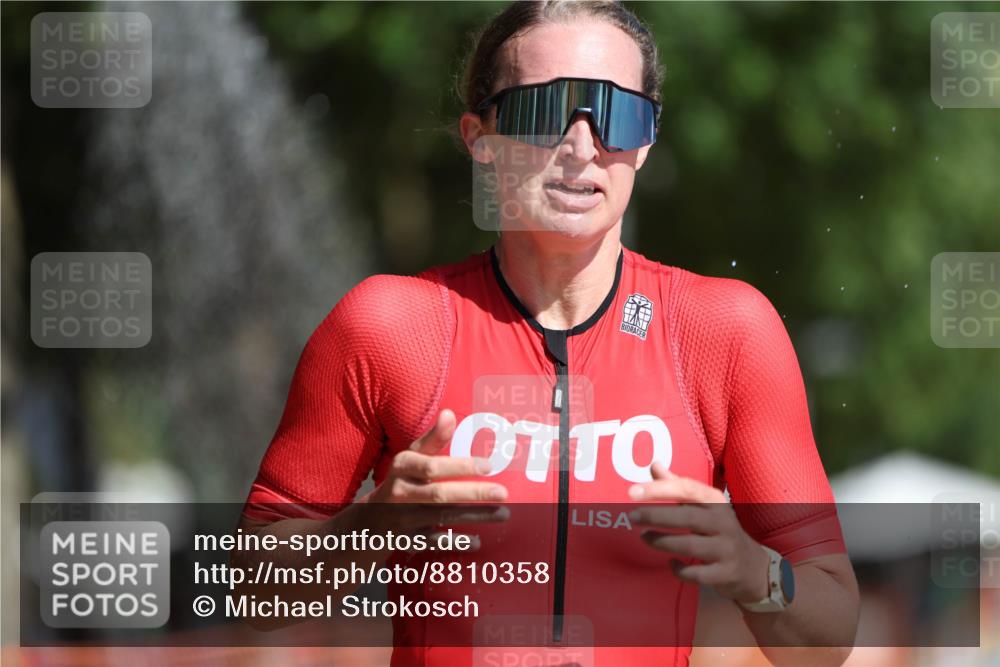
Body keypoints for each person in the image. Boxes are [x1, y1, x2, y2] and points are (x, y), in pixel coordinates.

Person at [240, 1, 860, 665]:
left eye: (617, 114)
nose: (582, 146)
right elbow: (253, 594)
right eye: (544, 110)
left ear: (645, 141)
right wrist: (367, 529)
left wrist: (754, 569)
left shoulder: (723, 331)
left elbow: (827, 639)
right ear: (480, 136)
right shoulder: (390, 325)